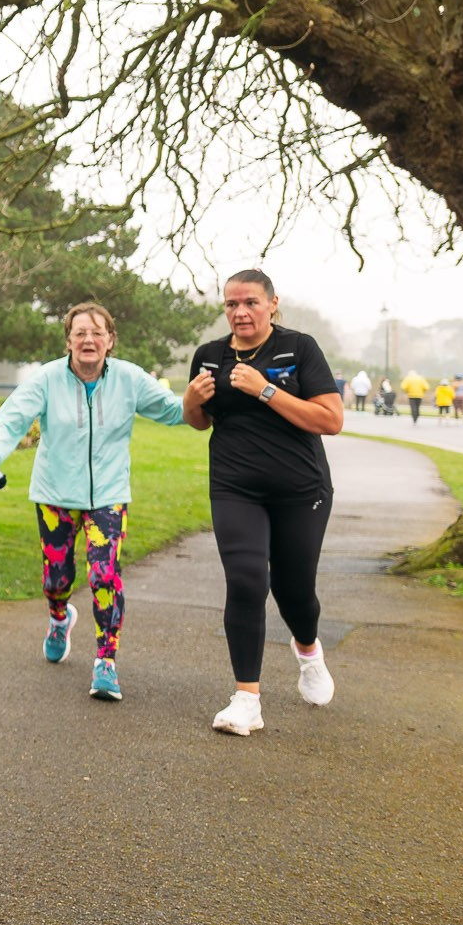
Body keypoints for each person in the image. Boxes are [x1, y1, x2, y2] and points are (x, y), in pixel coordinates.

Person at [0, 302, 186, 701]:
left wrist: (211, 399)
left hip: (109, 496)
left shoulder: (129, 379)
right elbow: (10, 419)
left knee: (105, 575)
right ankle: (58, 618)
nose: (89, 339)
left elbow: (175, 411)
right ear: (68, 341)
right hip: (55, 495)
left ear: (110, 340)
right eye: (80, 333)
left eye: (97, 332)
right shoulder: (48, 379)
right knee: (58, 578)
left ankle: (106, 661)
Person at [181, 269, 344, 736]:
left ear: (273, 303)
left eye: (250, 302)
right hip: (235, 488)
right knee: (248, 579)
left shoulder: (300, 348)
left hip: (300, 491)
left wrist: (266, 390)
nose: (240, 312)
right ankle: (246, 699)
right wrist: (190, 401)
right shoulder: (209, 356)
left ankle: (308, 648)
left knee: (294, 592)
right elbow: (198, 422)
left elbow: (331, 419)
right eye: (231, 304)